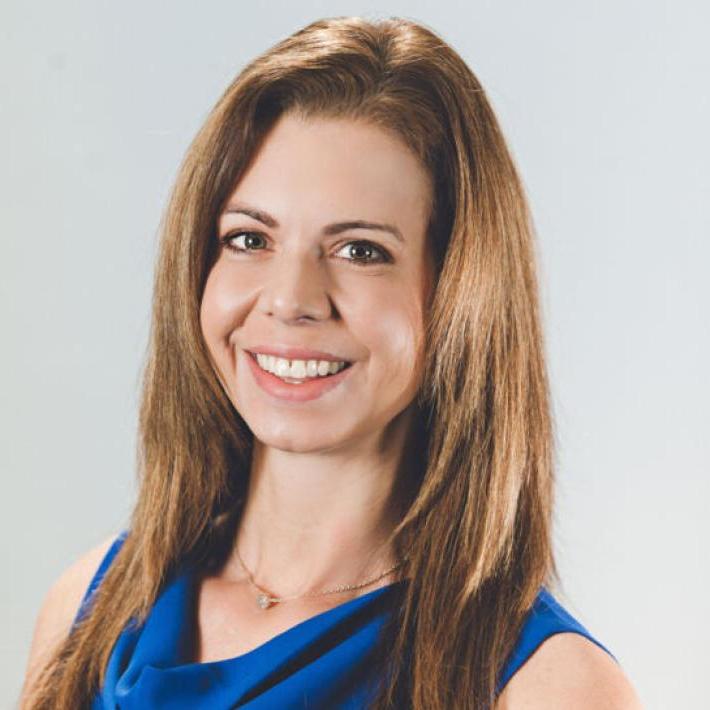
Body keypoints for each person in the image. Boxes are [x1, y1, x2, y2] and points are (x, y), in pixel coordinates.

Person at [20, 15, 643, 710]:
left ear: (462, 292)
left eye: (361, 251)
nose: (290, 300)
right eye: (250, 238)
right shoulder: (89, 608)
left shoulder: (548, 688)